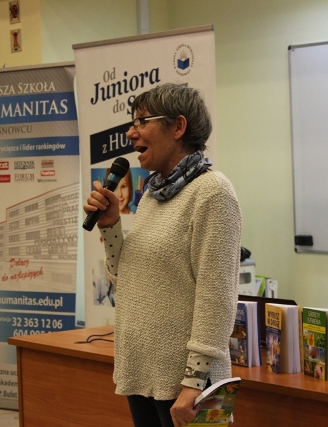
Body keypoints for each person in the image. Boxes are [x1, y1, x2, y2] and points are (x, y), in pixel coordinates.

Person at [84, 83, 242, 427]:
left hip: (190, 386)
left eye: (142, 121)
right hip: (144, 373)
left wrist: (194, 383)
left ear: (178, 126)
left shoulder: (213, 192)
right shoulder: (154, 194)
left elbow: (217, 297)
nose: (131, 133)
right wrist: (110, 227)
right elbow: (126, 279)